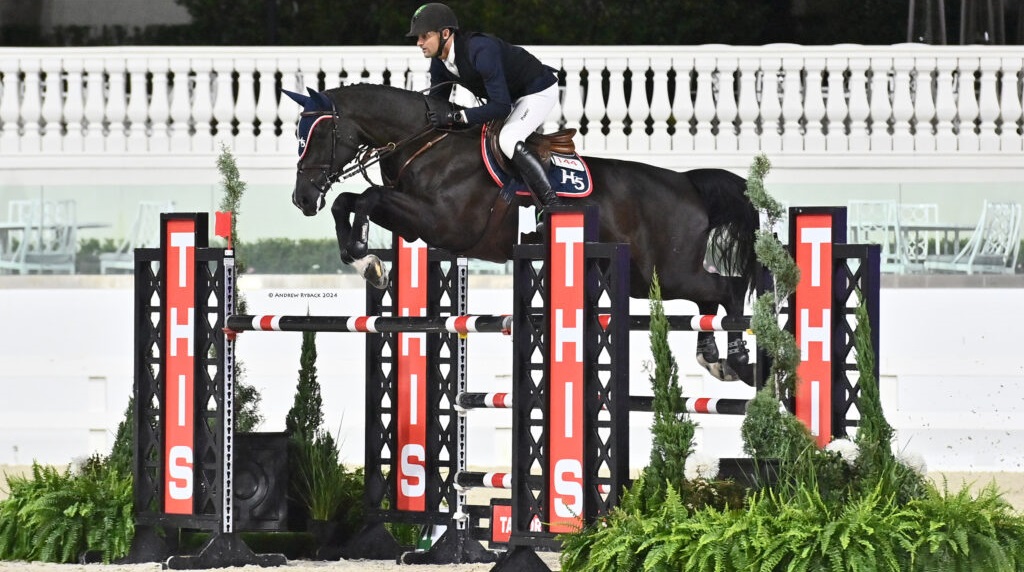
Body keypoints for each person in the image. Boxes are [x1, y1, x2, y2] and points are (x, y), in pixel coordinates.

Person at [407, 2, 564, 208]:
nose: (419, 42)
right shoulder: (439, 61)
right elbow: (437, 103)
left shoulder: (481, 49)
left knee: (508, 138)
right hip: (510, 97)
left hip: (537, 90)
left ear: (445, 33)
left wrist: (457, 117)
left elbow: (501, 107)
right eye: (418, 37)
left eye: (424, 36)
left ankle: (552, 203)